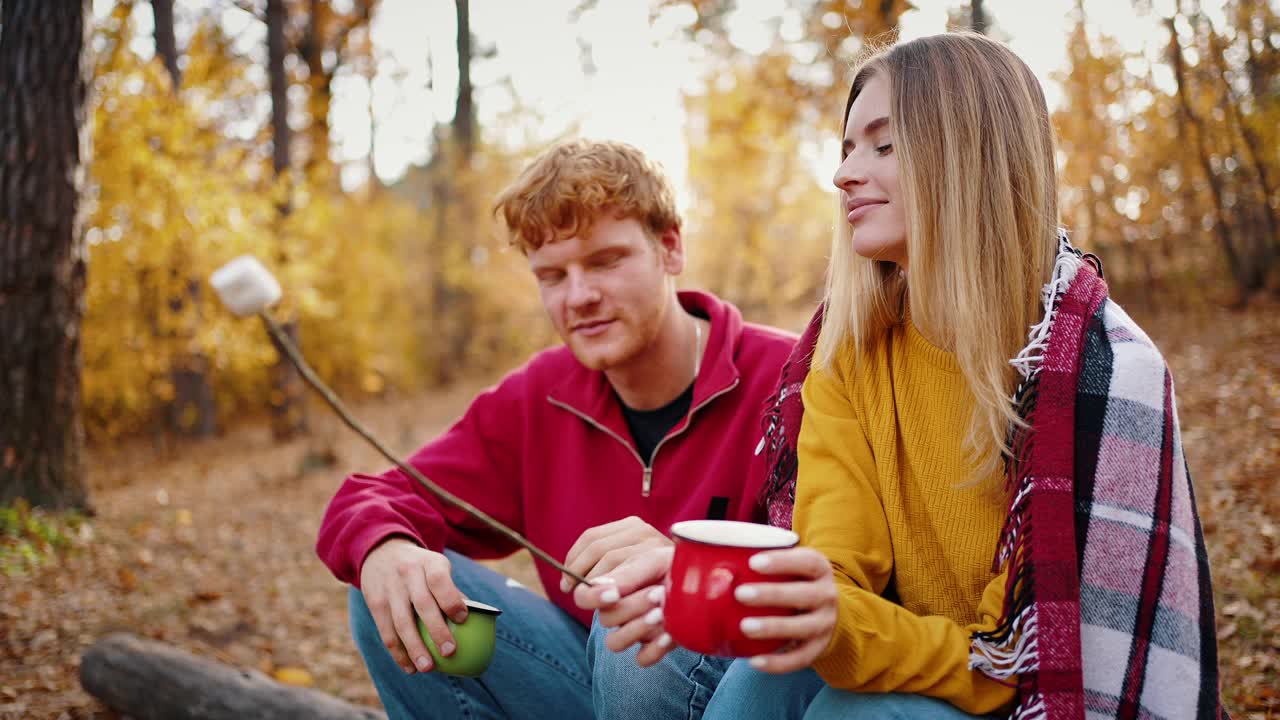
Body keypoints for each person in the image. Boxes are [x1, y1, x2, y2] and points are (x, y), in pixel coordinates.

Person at [576, 32, 1227, 720]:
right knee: (649, 633)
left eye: (883, 147)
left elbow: (1036, 663)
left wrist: (839, 626)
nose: (845, 175)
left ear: (971, 156)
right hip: (892, 661)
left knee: (850, 715)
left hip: (1028, 700)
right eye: (848, 149)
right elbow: (835, 576)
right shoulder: (845, 351)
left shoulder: (1099, 370)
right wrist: (743, 589)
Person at [313, 139, 797, 720]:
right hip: (588, 680)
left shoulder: (788, 378)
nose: (579, 296)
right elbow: (375, 496)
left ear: (669, 248)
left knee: (637, 612)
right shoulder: (537, 397)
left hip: (742, 691)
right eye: (552, 275)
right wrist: (385, 548)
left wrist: (690, 571)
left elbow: (841, 574)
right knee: (391, 585)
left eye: (604, 261)